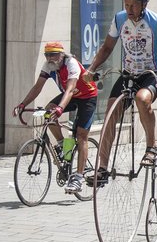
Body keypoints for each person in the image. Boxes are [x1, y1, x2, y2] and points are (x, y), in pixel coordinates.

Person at [84, 0, 157, 184]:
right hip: (129, 73)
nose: (128, 9)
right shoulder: (119, 19)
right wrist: (91, 69)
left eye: (133, 5)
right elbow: (106, 47)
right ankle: (102, 169)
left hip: (153, 73)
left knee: (142, 98)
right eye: (126, 4)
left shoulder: (156, 22)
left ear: (143, 4)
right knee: (110, 114)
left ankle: (152, 147)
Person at [13, 42, 99, 194]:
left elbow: (71, 89)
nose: (50, 58)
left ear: (61, 55)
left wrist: (60, 108)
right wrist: (22, 104)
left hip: (87, 97)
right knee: (48, 111)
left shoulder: (71, 63)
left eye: (53, 55)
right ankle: (61, 146)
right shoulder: (48, 66)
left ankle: (78, 178)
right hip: (70, 95)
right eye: (47, 55)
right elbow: (37, 87)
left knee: (80, 135)